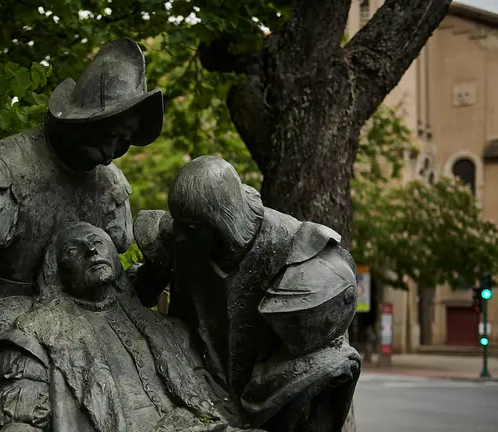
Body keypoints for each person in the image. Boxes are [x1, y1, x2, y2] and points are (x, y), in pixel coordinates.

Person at [0, 38, 164, 431]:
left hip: (89, 329)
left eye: (125, 140)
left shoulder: (112, 187)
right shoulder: (3, 170)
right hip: (10, 329)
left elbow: (115, 282)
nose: (113, 152)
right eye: (110, 136)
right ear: (84, 120)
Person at [132, 156, 362, 431]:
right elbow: (141, 290)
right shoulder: (182, 237)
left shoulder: (299, 254)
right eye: (179, 224)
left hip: (273, 404)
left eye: (191, 228)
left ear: (221, 223)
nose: (179, 234)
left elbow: (324, 374)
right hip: (200, 393)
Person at [0, 222, 255, 432]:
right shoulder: (35, 334)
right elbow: (19, 421)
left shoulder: (165, 329)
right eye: (73, 250)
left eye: (99, 241)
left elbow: (214, 404)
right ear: (57, 272)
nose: (92, 250)